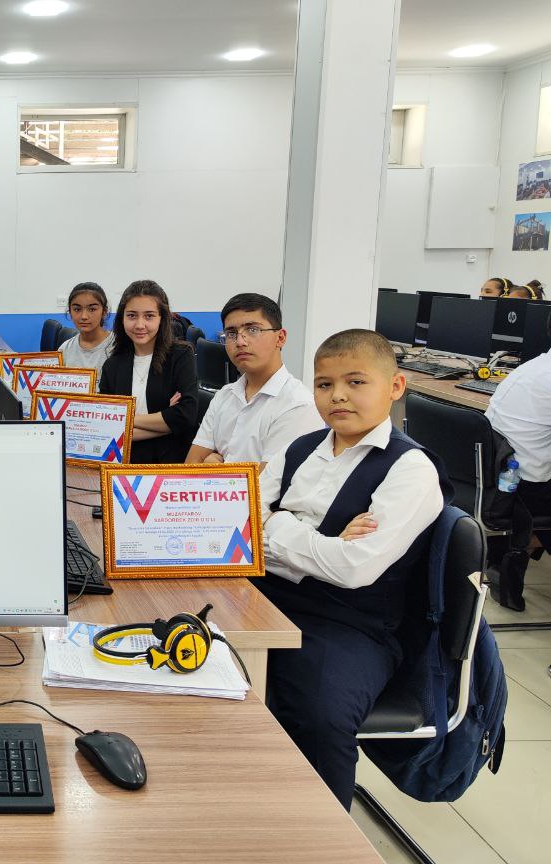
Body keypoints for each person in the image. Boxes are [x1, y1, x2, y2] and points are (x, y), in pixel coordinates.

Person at [255, 329, 449, 809]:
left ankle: (321, 834)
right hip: (264, 596)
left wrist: (276, 524)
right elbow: (239, 522)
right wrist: (321, 542)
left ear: (395, 386)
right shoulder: (300, 448)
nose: (337, 395)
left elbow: (353, 570)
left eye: (356, 382)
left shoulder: (411, 469)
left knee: (319, 713)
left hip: (350, 623)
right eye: (324, 384)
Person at [186, 293, 322, 467]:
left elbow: (267, 482)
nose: (240, 341)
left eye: (253, 330)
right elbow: (191, 466)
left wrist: (214, 470)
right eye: (231, 333)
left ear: (280, 338)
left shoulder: (297, 405)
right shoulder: (224, 396)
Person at [484, 310, 551, 611]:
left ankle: (519, 545)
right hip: (528, 492)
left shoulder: (533, 366)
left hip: (503, 483)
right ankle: (522, 543)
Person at [99, 280, 199, 464]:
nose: (139, 324)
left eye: (149, 316)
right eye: (132, 315)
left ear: (162, 318)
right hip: (126, 461)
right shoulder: (112, 366)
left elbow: (186, 417)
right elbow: (106, 426)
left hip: (170, 460)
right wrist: (166, 420)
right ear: (122, 318)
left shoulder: (181, 356)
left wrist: (125, 418)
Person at [58, 281, 114, 373]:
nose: (84, 316)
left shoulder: (117, 346)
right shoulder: (65, 350)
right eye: (77, 309)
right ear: (70, 312)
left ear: (104, 312)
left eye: (92, 309)